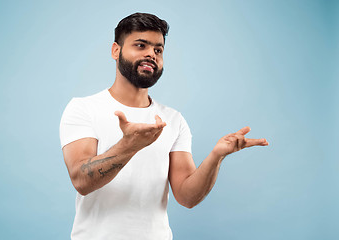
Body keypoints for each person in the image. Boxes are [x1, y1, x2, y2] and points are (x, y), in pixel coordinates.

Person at [59, 12, 269, 240]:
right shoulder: (83, 108)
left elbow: (187, 197)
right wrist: (129, 146)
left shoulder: (173, 119)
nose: (151, 54)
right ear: (116, 51)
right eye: (141, 45)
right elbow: (81, 180)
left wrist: (216, 156)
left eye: (158, 50)